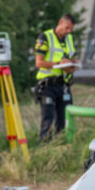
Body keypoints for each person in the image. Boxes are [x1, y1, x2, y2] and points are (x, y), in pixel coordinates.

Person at [34, 13, 78, 142]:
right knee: (48, 120)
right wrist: (59, 65)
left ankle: (62, 148)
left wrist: (73, 65)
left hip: (64, 85)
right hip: (48, 86)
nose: (68, 31)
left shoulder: (69, 38)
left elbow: (73, 58)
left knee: (64, 119)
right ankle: (45, 150)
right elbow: (39, 63)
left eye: (71, 29)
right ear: (60, 22)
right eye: (67, 28)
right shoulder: (45, 37)